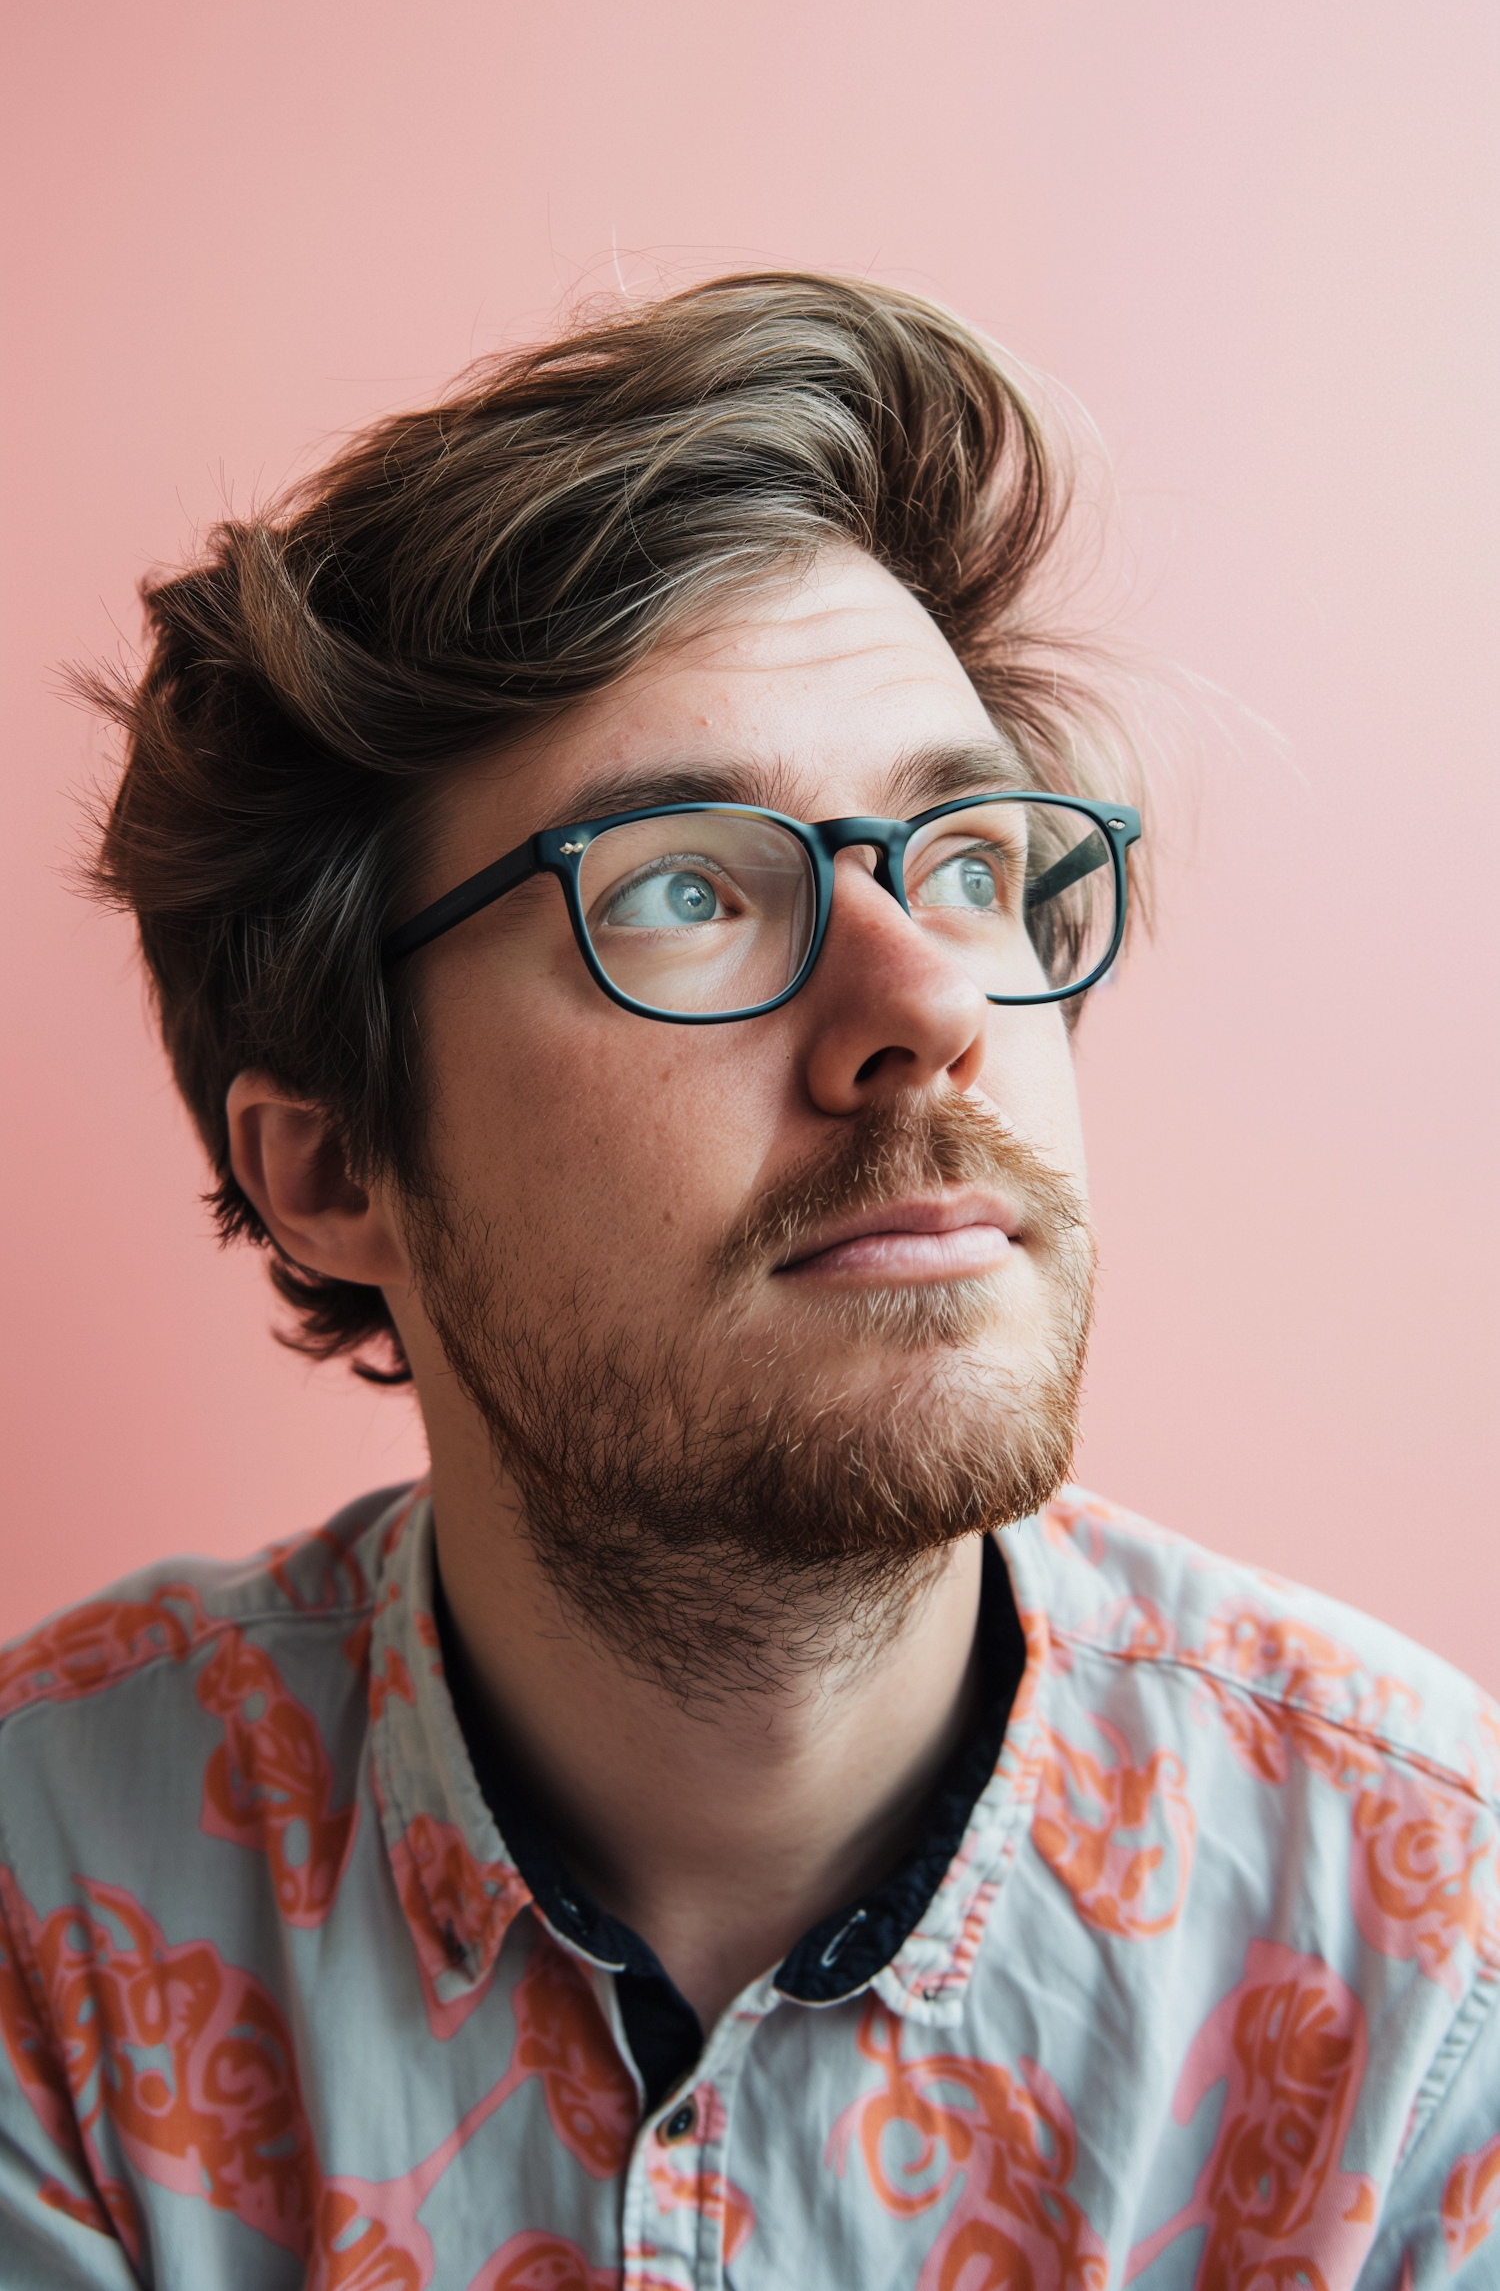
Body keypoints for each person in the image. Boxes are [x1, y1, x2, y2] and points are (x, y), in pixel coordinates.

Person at [0, 275, 1494, 2291]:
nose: (932, 1000)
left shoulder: (1429, 1956)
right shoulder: (49, 1907)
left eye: (965, 855)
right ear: (340, 1165)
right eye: (687, 887)